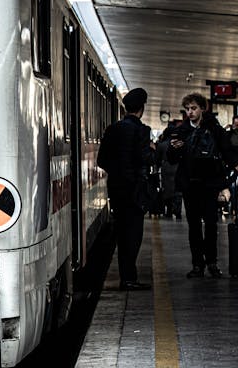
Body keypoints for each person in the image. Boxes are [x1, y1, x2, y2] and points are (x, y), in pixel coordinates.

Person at [167, 93, 238, 278]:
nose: (190, 112)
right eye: (188, 109)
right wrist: (174, 149)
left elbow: (226, 151)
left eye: (194, 108)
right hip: (190, 185)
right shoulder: (181, 131)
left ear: (202, 109)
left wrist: (234, 166)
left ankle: (212, 263)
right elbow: (172, 159)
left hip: (210, 184)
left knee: (211, 224)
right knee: (194, 226)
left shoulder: (214, 129)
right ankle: (198, 264)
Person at [98, 88, 155, 290]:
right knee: (134, 235)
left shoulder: (112, 129)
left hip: (116, 189)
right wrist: (153, 151)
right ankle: (129, 278)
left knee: (122, 234)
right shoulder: (142, 131)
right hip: (135, 190)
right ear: (141, 109)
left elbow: (101, 160)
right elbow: (145, 159)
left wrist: (117, 174)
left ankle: (127, 276)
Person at [156, 131, 182, 219]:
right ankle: (178, 211)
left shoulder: (161, 145)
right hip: (178, 167)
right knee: (177, 190)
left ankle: (169, 211)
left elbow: (157, 159)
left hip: (166, 168)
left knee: (167, 190)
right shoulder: (179, 143)